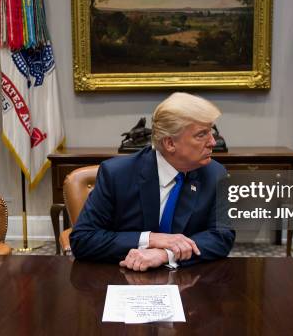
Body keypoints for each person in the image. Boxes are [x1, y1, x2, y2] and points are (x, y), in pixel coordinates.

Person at [70, 92, 235, 271]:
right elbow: (83, 239)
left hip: (187, 282)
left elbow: (222, 237)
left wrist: (166, 254)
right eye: (201, 134)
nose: (213, 142)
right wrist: (151, 239)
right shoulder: (117, 174)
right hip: (123, 277)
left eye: (210, 131)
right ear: (170, 143)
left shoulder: (214, 173)